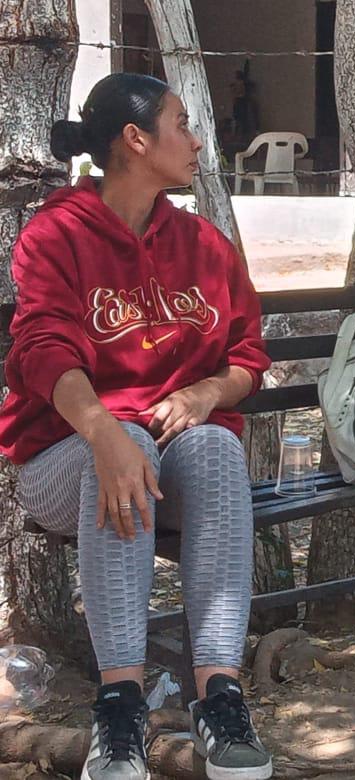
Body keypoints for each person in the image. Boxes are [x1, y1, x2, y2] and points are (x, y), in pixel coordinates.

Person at [0, 74, 273, 779]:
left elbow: (248, 355)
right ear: (136, 139)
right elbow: (41, 349)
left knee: (214, 444)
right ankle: (119, 709)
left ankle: (220, 699)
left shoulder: (203, 244)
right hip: (67, 458)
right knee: (122, 452)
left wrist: (212, 390)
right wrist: (105, 431)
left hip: (169, 460)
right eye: (182, 123)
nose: (196, 139)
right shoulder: (56, 233)